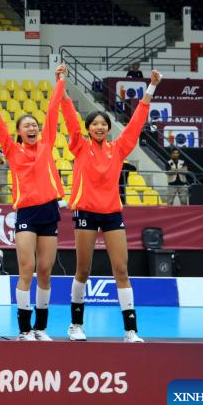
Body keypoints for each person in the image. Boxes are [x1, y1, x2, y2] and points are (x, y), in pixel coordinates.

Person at [62, 70, 162, 343]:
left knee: (121, 270)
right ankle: (76, 325)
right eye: (94, 123)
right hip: (85, 213)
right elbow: (69, 116)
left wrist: (151, 87)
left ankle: (131, 330)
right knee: (83, 270)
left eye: (103, 123)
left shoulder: (118, 149)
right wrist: (61, 84)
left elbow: (137, 122)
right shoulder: (79, 146)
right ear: (88, 128)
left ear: (108, 128)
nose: (99, 127)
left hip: (111, 215)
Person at [0, 66, 66, 341]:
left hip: (49, 211)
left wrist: (60, 82)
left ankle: (41, 328)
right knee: (26, 270)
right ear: (18, 132)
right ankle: (24, 329)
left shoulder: (46, 144)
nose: (32, 128)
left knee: (45, 272)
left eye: (34, 125)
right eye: (26, 125)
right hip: (26, 214)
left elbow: (53, 110)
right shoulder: (12, 150)